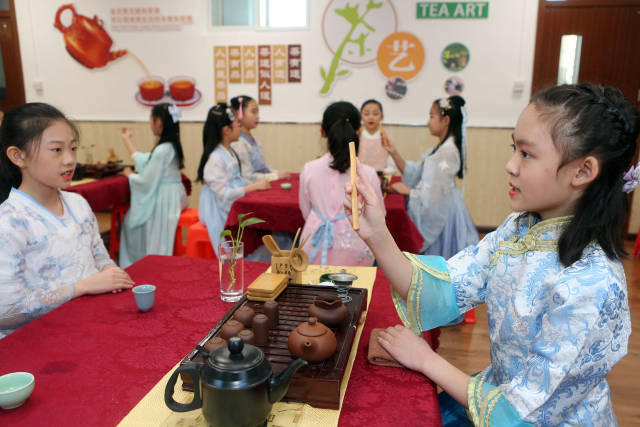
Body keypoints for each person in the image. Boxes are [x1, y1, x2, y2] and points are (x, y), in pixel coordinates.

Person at [344, 83, 638, 425]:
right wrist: (377, 233)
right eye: (515, 149)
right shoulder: (518, 230)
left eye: (526, 154)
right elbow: (444, 287)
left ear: (583, 171)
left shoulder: (592, 283)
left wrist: (427, 360)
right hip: (493, 398)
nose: (510, 165)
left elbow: (522, 413)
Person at [0, 103, 133, 338]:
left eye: (73, 148)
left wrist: (111, 274)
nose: (70, 160)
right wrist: (80, 287)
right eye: (57, 150)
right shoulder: (9, 221)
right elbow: (6, 312)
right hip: (39, 339)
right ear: (18, 156)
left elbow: (100, 257)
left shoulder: (77, 203)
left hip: (90, 324)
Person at [385, 95, 478, 259]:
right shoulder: (440, 149)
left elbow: (434, 197)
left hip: (443, 214)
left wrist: (408, 191)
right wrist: (394, 152)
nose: (428, 122)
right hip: (443, 207)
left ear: (446, 120)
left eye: (432, 116)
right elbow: (415, 172)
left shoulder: (447, 152)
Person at [299, 101, 384, 266]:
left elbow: (306, 211)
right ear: (359, 131)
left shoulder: (309, 169)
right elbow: (379, 216)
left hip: (315, 243)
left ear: (322, 132)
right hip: (356, 247)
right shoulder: (368, 174)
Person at [118, 103, 188, 268]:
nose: (150, 123)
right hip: (174, 196)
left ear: (159, 122)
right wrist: (127, 139)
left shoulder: (162, 149)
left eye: (151, 119)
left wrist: (130, 176)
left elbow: (146, 181)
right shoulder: (171, 146)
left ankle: (137, 264)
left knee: (130, 222)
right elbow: (145, 159)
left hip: (164, 200)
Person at [197, 103, 270, 256]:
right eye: (237, 124)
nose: (240, 127)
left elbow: (237, 181)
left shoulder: (229, 151)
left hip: (232, 199)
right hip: (218, 207)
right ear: (226, 130)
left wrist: (253, 186)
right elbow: (223, 195)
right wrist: (252, 187)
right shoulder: (215, 159)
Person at [229, 95, 290, 183]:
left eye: (258, 112)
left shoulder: (255, 139)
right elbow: (247, 176)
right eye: (254, 112)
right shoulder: (238, 143)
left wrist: (277, 172)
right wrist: (276, 176)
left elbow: (263, 167)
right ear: (239, 114)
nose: (258, 116)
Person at [359, 99, 397, 175]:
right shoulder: (357, 139)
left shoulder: (387, 140)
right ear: (361, 117)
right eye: (366, 114)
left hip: (380, 179)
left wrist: (380, 173)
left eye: (375, 114)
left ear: (382, 117)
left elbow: (392, 168)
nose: (371, 117)